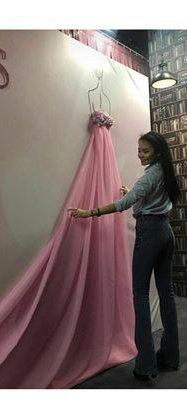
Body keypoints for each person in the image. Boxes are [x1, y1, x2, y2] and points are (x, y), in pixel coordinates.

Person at [68, 130, 181, 381]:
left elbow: (124, 204)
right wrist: (134, 192)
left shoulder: (149, 177)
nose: (140, 155)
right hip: (165, 232)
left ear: (157, 152)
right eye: (139, 150)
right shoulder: (164, 171)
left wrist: (91, 212)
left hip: (150, 234)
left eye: (145, 151)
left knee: (139, 294)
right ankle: (170, 356)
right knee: (167, 293)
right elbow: (147, 197)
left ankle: (145, 365)